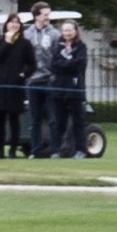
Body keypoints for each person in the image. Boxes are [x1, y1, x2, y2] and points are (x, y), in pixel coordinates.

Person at [42, 20, 89, 157]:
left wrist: (65, 64)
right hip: (59, 88)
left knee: (77, 121)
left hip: (74, 89)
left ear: (75, 31)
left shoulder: (81, 47)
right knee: (58, 121)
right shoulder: (57, 46)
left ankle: (80, 150)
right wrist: (67, 64)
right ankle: (55, 150)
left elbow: (79, 64)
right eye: (65, 30)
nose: (67, 33)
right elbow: (54, 65)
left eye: (70, 30)